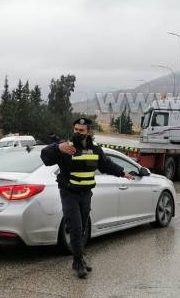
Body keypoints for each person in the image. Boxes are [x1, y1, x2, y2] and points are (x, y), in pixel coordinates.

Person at [41, 117, 134, 279]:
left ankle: (79, 257)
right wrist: (57, 148)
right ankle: (78, 262)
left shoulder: (95, 149)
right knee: (76, 228)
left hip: (86, 194)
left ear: (88, 132)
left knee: (82, 228)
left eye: (81, 131)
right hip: (69, 193)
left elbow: (106, 165)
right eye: (76, 130)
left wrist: (122, 172)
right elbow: (45, 157)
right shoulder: (66, 147)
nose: (78, 133)